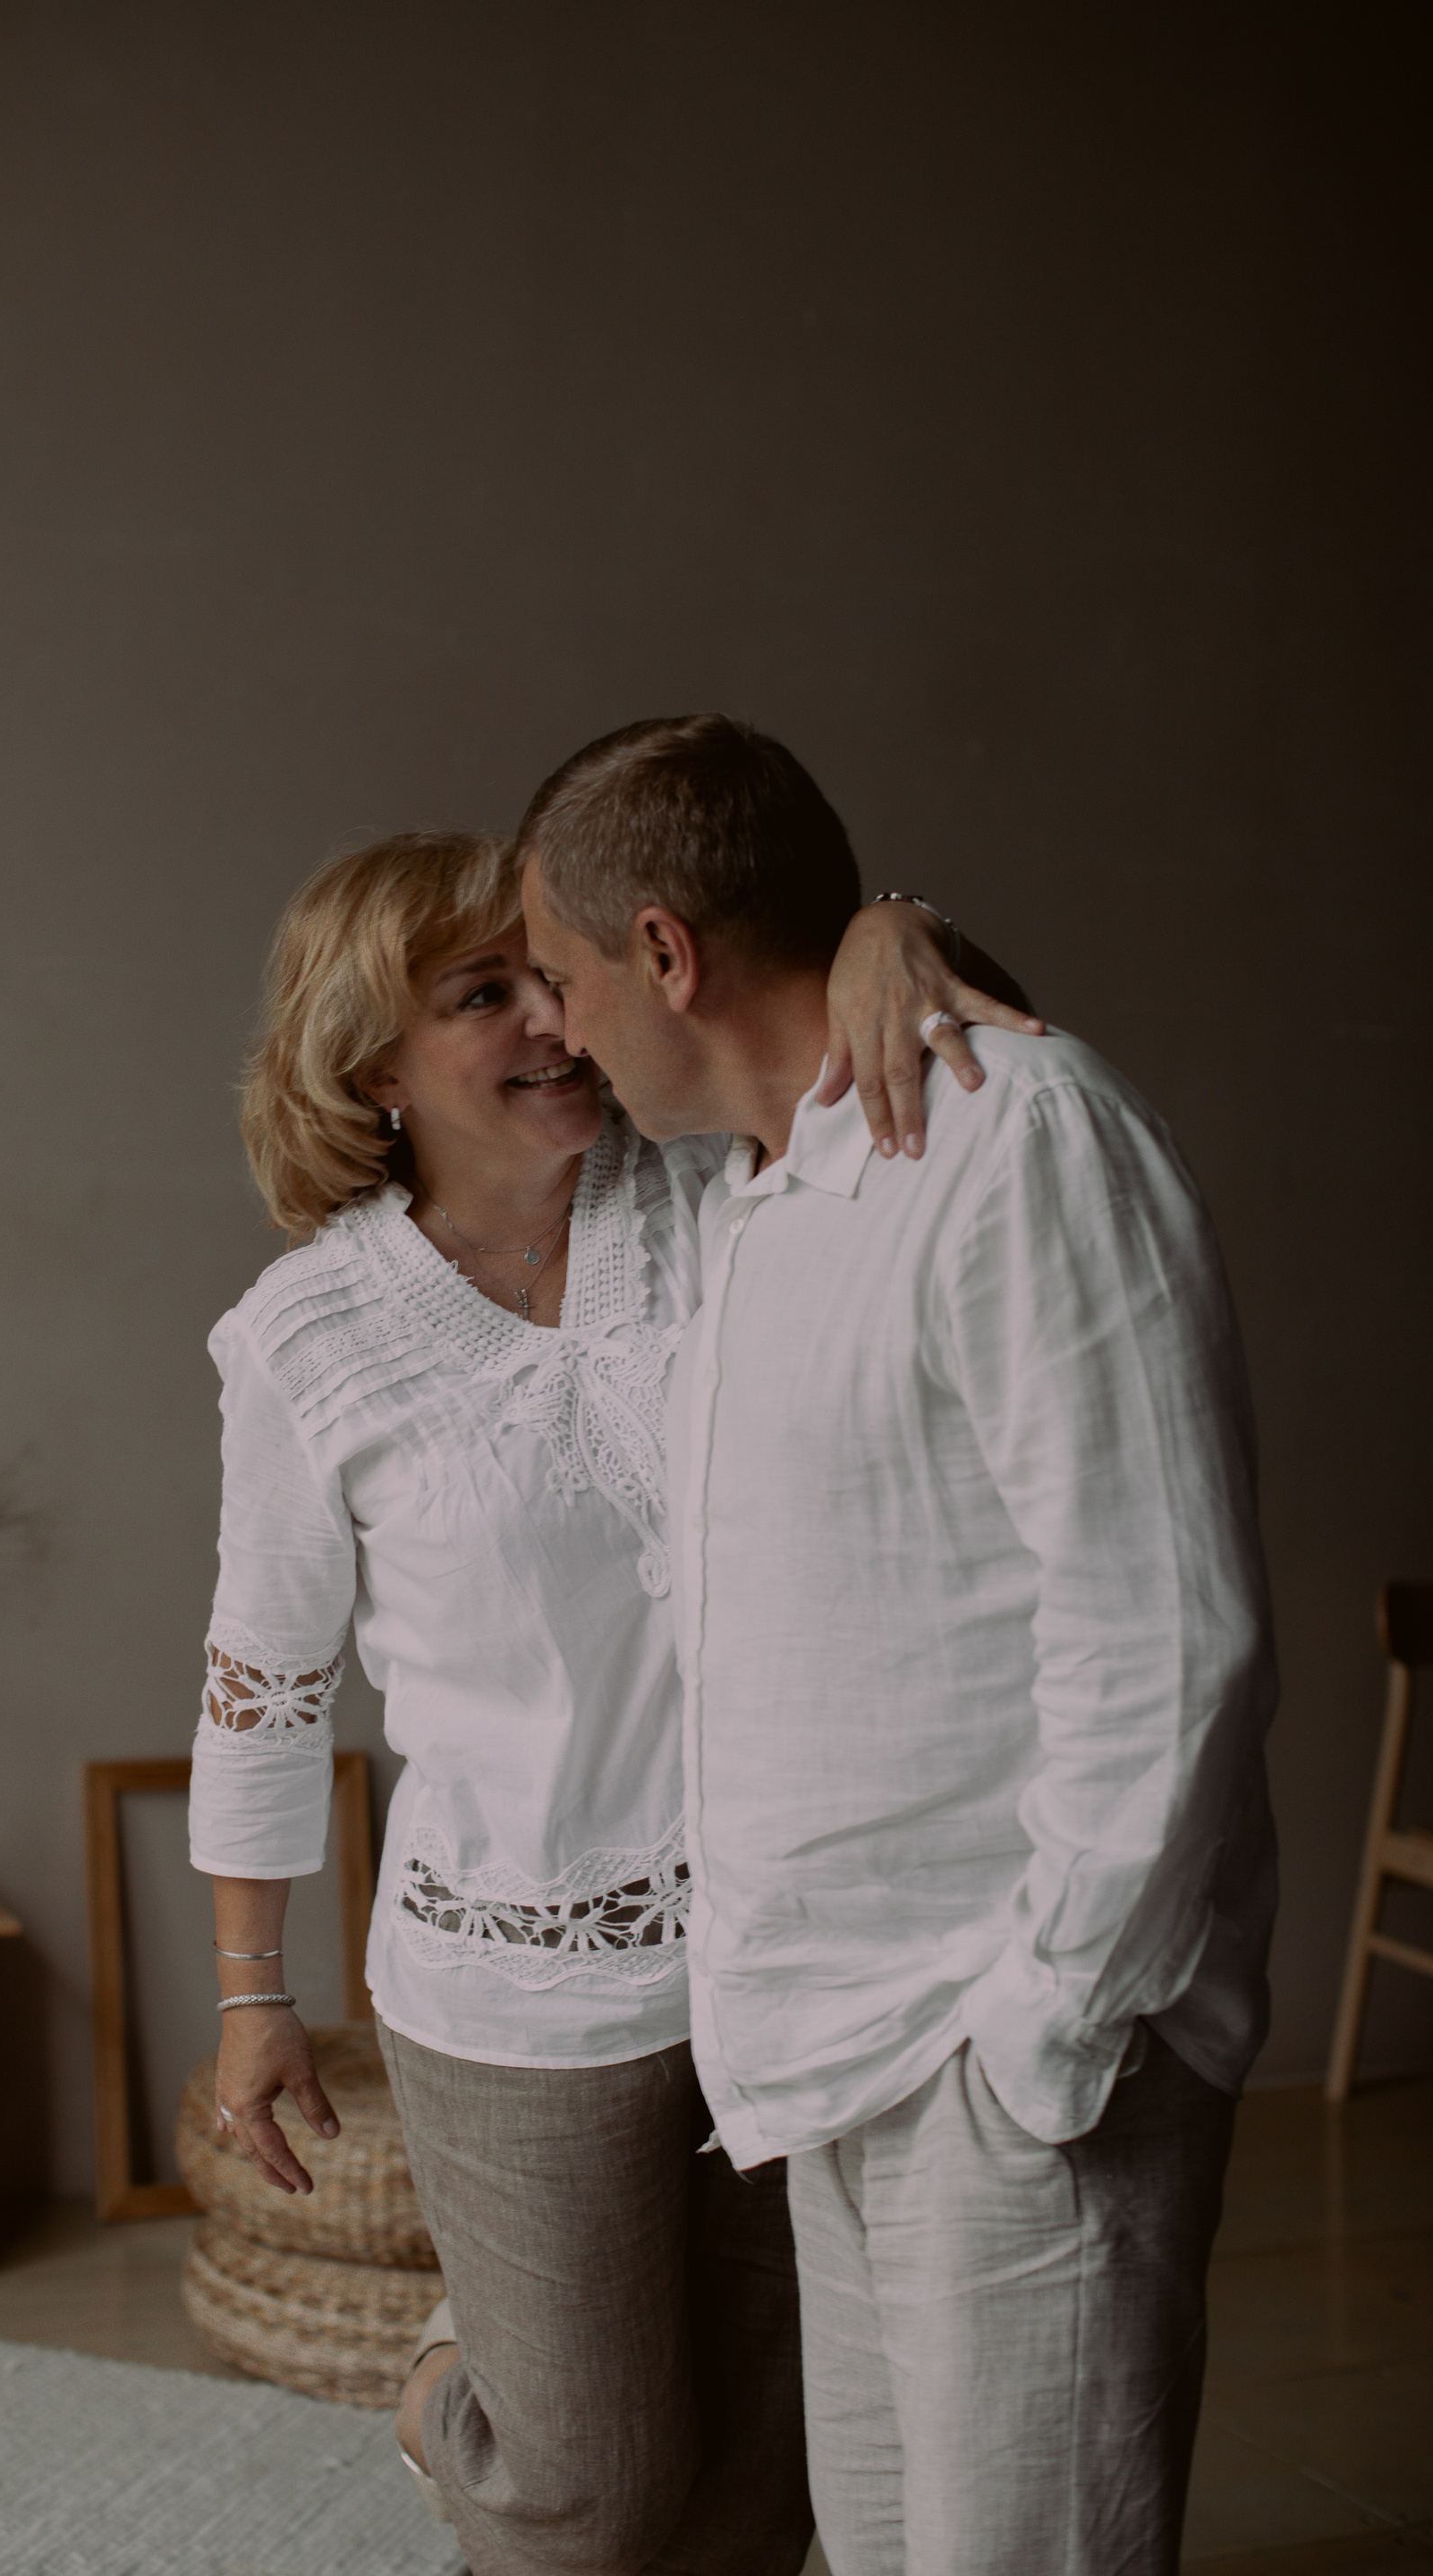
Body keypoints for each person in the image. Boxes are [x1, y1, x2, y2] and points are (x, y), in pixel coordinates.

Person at [188, 826, 1039, 2576]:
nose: (551, 1021)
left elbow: (965, 1070)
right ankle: (444, 2391)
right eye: (479, 994)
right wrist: (251, 1992)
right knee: (590, 2491)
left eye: (549, 975)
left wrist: (893, 927)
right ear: (374, 1064)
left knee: (766, 2468)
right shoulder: (304, 1339)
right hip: (514, 1982)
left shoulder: (726, 1190)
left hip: (780, 1937)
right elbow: (265, 1688)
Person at [516, 715, 1278, 2576]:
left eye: (559, 975)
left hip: (1003, 2059)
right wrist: (892, 911)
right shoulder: (742, 1201)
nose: (552, 1023)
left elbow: (1168, 1629)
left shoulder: (1018, 1137)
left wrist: (1044, 2030)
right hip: (830, 2055)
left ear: (666, 954)